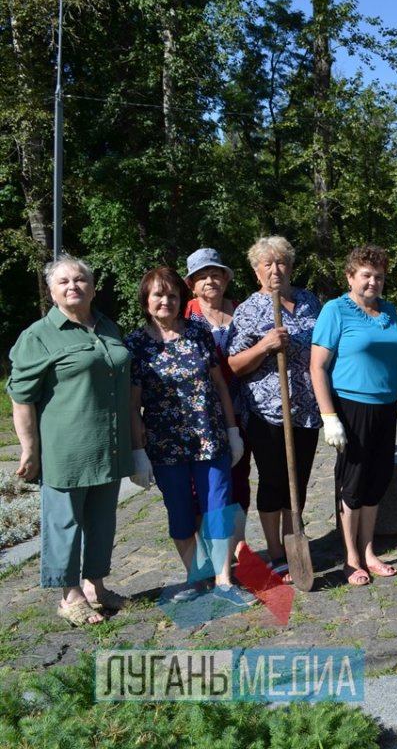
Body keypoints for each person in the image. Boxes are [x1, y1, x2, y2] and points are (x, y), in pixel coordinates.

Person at [8, 256, 131, 626]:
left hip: (108, 444)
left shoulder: (109, 327)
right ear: (51, 291)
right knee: (64, 522)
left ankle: (96, 586)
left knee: (102, 519)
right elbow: (21, 396)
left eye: (80, 280)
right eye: (63, 282)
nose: (73, 286)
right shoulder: (38, 336)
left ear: (92, 287)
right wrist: (30, 448)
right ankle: (69, 594)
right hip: (66, 448)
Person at [126, 267, 254, 607]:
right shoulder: (135, 345)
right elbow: (132, 404)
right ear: (146, 301)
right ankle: (196, 578)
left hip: (211, 441)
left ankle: (225, 581)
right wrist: (137, 452)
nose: (165, 301)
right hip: (166, 448)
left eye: (171, 295)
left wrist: (232, 431)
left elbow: (220, 386)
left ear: (182, 299)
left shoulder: (199, 334)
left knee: (218, 509)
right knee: (181, 514)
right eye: (158, 295)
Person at [311, 245, 397, 586]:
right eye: (366, 275)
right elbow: (317, 367)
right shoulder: (335, 310)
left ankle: (369, 551)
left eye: (379, 277)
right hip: (351, 406)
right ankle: (351, 558)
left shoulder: (387, 311)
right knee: (353, 484)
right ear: (350, 276)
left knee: (377, 480)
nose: (373, 282)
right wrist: (329, 416)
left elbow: (396, 362)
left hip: (386, 407)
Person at [227, 236, 321, 583]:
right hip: (267, 412)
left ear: (291, 267)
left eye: (281, 262)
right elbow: (234, 365)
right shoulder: (249, 310)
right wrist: (266, 345)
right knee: (273, 481)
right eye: (267, 264)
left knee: (300, 480)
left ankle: (293, 533)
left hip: (307, 409)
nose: (275, 269)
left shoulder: (310, 302)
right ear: (257, 273)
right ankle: (276, 552)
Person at [183, 248, 252, 559]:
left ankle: (237, 545)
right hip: (200, 415)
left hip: (242, 406)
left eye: (215, 274)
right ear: (192, 285)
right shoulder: (185, 315)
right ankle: (207, 550)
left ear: (226, 278)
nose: (210, 281)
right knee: (201, 485)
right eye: (202, 277)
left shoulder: (242, 310)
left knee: (239, 476)